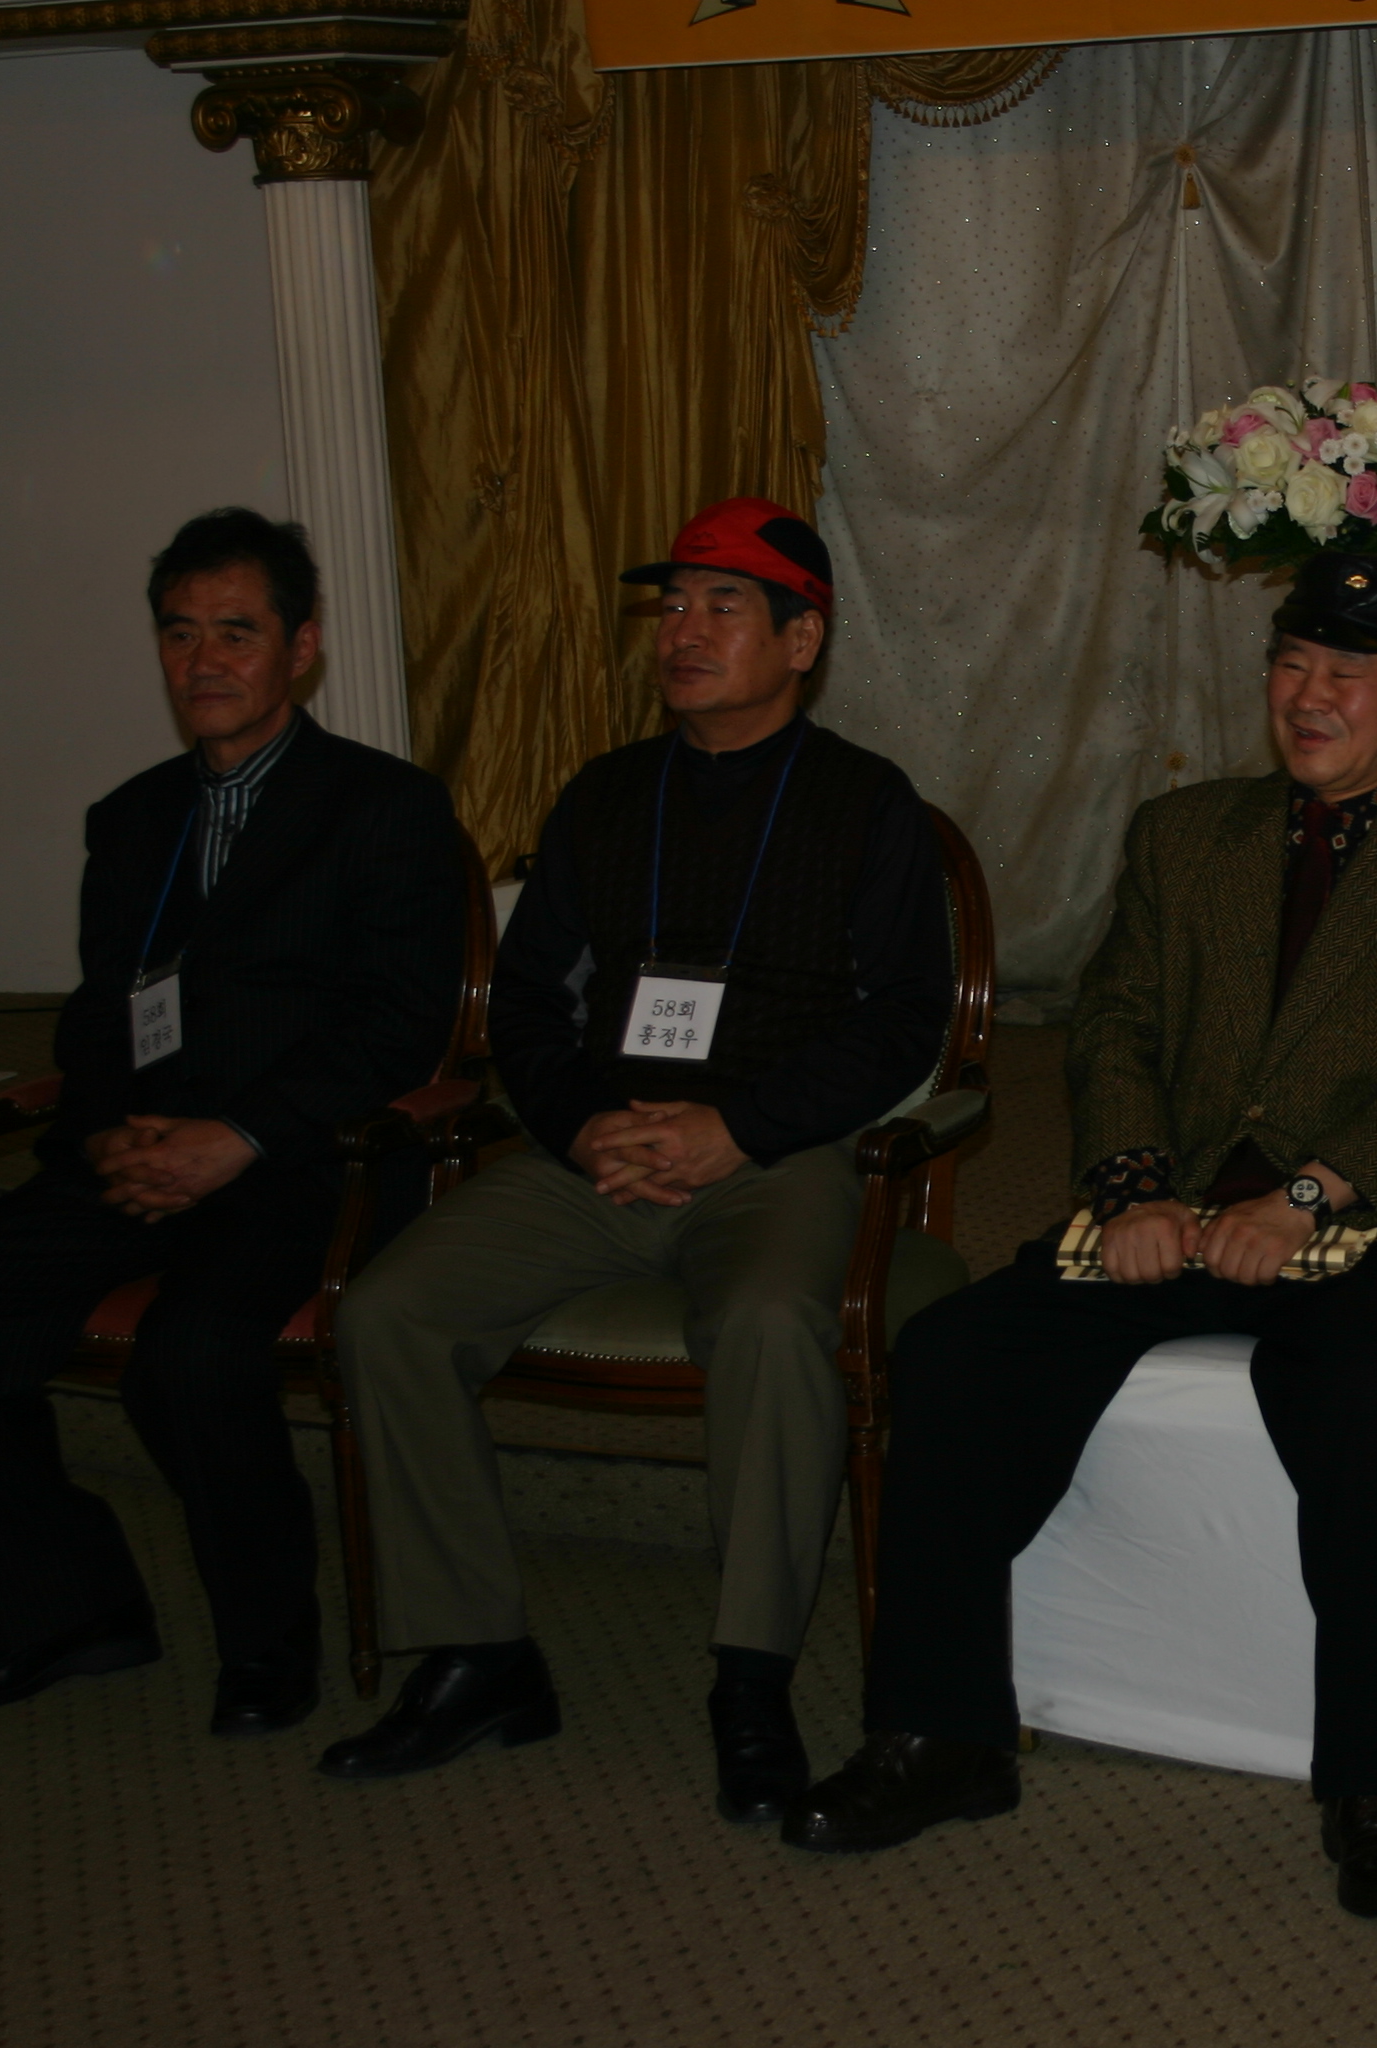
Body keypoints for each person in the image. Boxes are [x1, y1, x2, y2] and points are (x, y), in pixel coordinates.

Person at [783, 552, 1377, 1920]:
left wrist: (1300, 1199)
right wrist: (1134, 1189)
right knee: (955, 1353)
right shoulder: (1185, 833)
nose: (1308, 696)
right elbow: (1117, 1025)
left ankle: (1376, 1786)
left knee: (1360, 1393)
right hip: (1171, 1210)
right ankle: (941, 1733)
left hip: (1372, 1225)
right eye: (1291, 665)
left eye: (1348, 674)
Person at [317, 499, 951, 1823]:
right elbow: (526, 1005)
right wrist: (581, 1122)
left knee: (772, 1324)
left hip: (775, 1154)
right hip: (595, 1153)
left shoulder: (866, 803)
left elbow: (905, 1020)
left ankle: (750, 1676)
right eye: (673, 605)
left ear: (803, 641)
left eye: (724, 606)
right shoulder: (605, 795)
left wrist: (739, 1127)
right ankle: (480, 1654)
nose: (683, 631)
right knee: (387, 1310)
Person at [0, 508, 463, 1736]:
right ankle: (71, 1609)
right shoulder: (133, 815)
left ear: (300, 646)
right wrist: (108, 1133)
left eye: (236, 632)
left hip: (302, 1166)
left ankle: (268, 1643)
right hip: (140, 1158)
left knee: (191, 1353)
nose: (205, 659)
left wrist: (233, 1138)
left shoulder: (385, 807)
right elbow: (101, 1015)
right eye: (180, 632)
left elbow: (395, 1030)